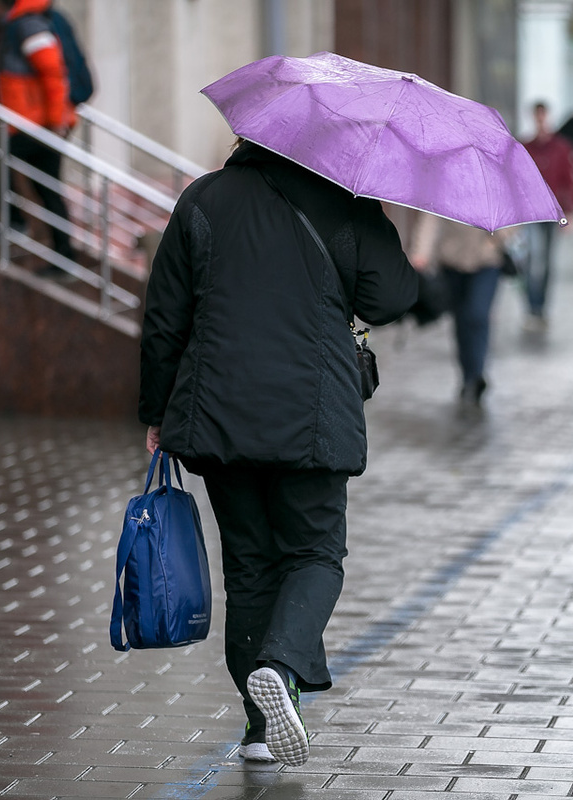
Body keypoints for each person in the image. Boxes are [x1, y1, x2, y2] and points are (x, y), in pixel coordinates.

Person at [139, 140, 418, 766]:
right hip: (310, 414)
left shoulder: (203, 199)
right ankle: (281, 669)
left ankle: (259, 729)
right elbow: (393, 297)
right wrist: (370, 217)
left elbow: (164, 315)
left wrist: (156, 411)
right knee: (316, 554)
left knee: (249, 567)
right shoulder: (344, 203)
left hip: (218, 413)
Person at [0, 0, 78, 275]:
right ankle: (65, 258)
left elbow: (52, 72)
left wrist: (57, 120)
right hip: (36, 122)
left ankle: (16, 223)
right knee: (47, 189)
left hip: (37, 124)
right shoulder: (22, 21)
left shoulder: (27, 23)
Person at [410, 215, 507, 405]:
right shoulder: (445, 185)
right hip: (452, 260)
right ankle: (468, 376)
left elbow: (513, 218)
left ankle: (478, 372)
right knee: (461, 319)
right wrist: (421, 252)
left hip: (486, 261)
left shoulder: (497, 187)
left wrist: (499, 235)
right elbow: (430, 218)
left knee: (478, 314)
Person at [521, 102, 573, 330]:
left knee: (545, 262)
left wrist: (570, 213)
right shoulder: (525, 146)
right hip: (529, 212)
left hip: (552, 212)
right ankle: (532, 307)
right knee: (531, 259)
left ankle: (541, 307)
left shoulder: (561, 148)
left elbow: (570, 180)